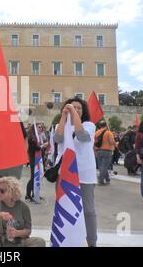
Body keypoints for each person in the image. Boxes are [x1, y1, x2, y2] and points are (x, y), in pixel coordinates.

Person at [54, 97, 98, 247]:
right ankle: (67, 240)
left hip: (84, 174)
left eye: (79, 108)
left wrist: (72, 112)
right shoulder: (60, 125)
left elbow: (82, 136)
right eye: (73, 107)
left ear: (83, 111)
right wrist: (64, 117)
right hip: (65, 174)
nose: (76, 109)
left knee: (88, 210)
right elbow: (58, 138)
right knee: (64, 207)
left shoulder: (89, 125)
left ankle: (92, 242)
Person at [0, 177, 45, 247]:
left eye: (2, 190)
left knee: (40, 242)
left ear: (12, 192)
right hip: (0, 241)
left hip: (19, 240)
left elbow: (28, 230)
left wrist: (17, 233)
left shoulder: (23, 207)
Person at [25, 124, 48, 201]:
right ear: (35, 128)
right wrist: (43, 146)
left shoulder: (38, 136)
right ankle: (28, 195)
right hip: (33, 158)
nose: (41, 128)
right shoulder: (32, 137)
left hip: (38, 158)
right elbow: (36, 148)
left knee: (37, 176)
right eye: (39, 127)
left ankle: (35, 194)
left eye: (42, 127)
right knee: (33, 177)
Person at [95, 121, 115, 185]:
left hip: (98, 151)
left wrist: (94, 151)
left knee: (102, 166)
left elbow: (94, 143)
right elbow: (112, 141)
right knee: (104, 167)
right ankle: (100, 181)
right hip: (107, 151)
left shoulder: (96, 133)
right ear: (106, 125)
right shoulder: (109, 133)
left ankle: (107, 179)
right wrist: (115, 144)